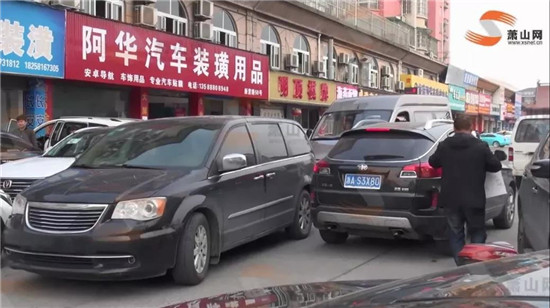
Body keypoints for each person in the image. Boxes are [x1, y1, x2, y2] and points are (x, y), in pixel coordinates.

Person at [428, 116, 502, 264]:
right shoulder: (480, 146)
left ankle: (460, 265)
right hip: (474, 199)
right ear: (471, 127)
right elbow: (495, 166)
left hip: (451, 199)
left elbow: (432, 162)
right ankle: (475, 263)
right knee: (477, 232)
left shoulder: (444, 145)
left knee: (456, 233)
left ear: (454, 128)